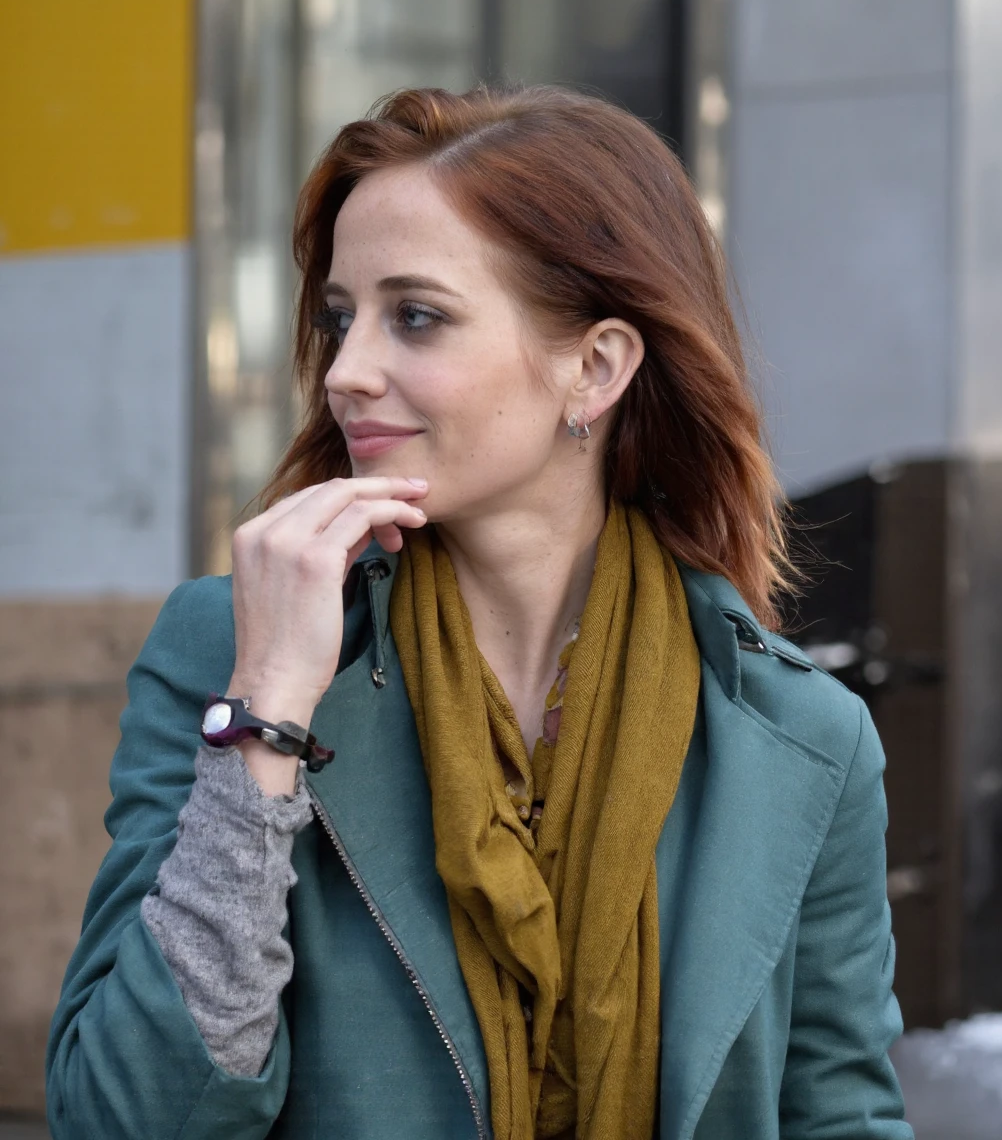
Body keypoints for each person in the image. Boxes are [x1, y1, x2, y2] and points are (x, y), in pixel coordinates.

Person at [46, 85, 912, 1140]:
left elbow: (840, 1117)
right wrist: (265, 716)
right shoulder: (231, 651)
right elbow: (121, 1117)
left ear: (593, 368)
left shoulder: (799, 739)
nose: (348, 372)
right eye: (339, 317)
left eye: (416, 315)